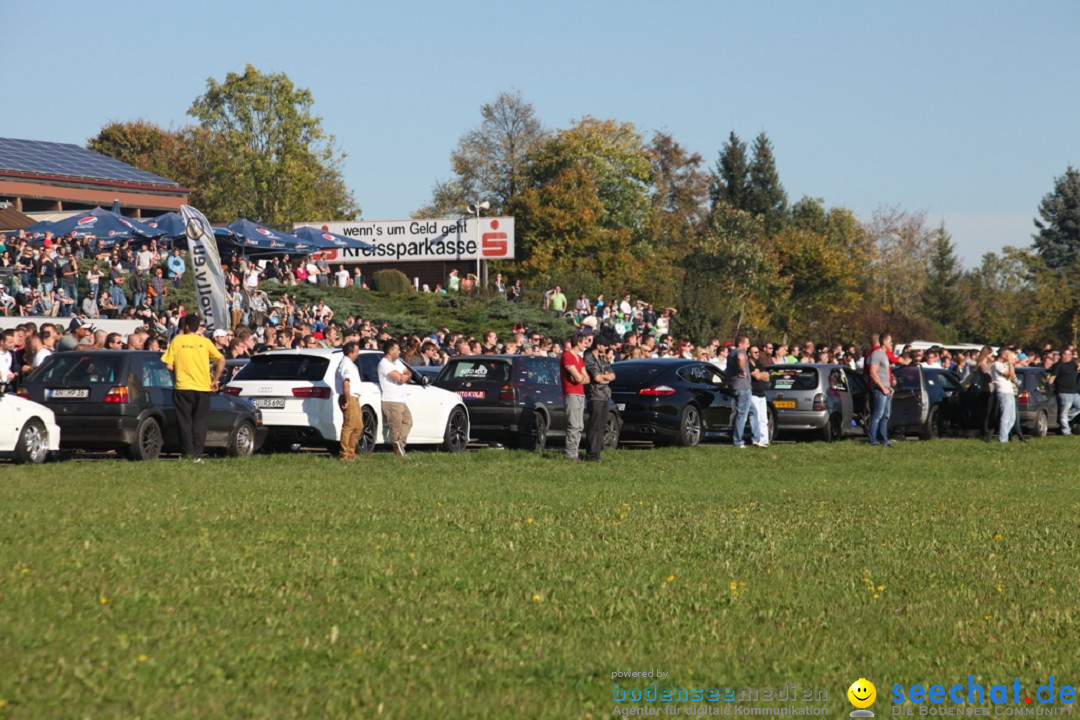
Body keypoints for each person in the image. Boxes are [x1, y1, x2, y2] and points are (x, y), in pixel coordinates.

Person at [162, 314, 226, 461]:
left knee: (184, 421)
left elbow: (168, 365)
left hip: (183, 386)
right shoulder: (205, 342)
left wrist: (182, 369)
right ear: (198, 327)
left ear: (186, 326)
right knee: (200, 422)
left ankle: (187, 452)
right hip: (203, 387)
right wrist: (215, 379)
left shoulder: (177, 341)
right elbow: (221, 359)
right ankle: (197, 454)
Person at [378, 339, 413, 457]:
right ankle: (397, 448)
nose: (400, 351)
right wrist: (405, 376)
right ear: (390, 351)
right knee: (395, 427)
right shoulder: (384, 364)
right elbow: (400, 378)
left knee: (408, 421)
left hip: (401, 399)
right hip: (391, 400)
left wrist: (406, 375)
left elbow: (408, 372)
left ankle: (400, 444)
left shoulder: (397, 362)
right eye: (397, 349)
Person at [583, 334, 615, 462]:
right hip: (595, 395)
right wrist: (605, 377)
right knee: (594, 426)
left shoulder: (602, 359)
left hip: (605, 395)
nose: (606, 348)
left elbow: (612, 374)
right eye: (604, 345)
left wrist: (605, 377)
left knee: (601, 426)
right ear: (598, 345)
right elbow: (596, 378)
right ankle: (591, 454)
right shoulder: (589, 357)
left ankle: (597, 453)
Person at [560, 333, 590, 461]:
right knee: (573, 425)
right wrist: (578, 377)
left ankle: (575, 453)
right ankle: (570, 454)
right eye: (584, 342)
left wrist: (579, 378)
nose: (586, 344)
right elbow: (577, 377)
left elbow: (586, 379)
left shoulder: (579, 358)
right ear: (578, 342)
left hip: (580, 394)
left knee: (579, 426)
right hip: (571, 393)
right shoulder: (567, 356)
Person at [335, 342, 364, 462]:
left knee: (358, 426)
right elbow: (346, 384)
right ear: (350, 352)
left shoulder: (350, 364)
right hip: (349, 397)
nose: (358, 354)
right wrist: (347, 400)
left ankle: (351, 452)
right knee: (349, 426)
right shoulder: (346, 364)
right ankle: (344, 454)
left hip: (354, 397)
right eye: (356, 351)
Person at [991, 348, 1024, 444]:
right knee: (1005, 417)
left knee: (1012, 418)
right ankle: (1003, 439)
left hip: (1009, 392)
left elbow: (1013, 377)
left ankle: (1005, 436)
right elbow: (1008, 375)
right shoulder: (997, 365)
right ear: (1004, 355)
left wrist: (1011, 363)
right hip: (1003, 392)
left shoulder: (1005, 365)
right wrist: (1010, 363)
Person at [867, 333, 894, 447]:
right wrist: (882, 388)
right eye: (890, 341)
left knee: (886, 415)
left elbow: (884, 374)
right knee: (877, 415)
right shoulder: (877, 354)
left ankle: (884, 439)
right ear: (884, 342)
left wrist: (889, 387)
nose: (892, 344)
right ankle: (873, 439)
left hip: (886, 389)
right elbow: (873, 373)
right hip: (879, 390)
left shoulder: (884, 355)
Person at [726, 335, 752, 448]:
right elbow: (741, 357)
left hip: (735, 386)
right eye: (747, 343)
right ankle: (738, 440)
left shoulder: (730, 353)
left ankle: (756, 437)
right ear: (741, 344)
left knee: (752, 412)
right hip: (743, 387)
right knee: (742, 414)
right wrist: (742, 370)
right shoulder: (741, 352)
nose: (748, 346)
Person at [1048, 347, 1079, 435]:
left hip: (1074, 392)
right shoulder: (1059, 365)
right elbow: (1052, 377)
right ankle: (1066, 431)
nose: (1070, 356)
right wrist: (1049, 385)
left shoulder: (1073, 364)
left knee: (1077, 407)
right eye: (1068, 354)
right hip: (1064, 392)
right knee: (1064, 411)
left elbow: (1077, 368)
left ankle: (1064, 419)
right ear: (1063, 355)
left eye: (1071, 354)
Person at [748, 345, 770, 448]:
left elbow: (767, 377)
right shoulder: (748, 365)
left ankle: (764, 440)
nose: (757, 354)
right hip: (753, 394)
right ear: (749, 354)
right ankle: (756, 439)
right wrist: (760, 375)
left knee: (763, 419)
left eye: (758, 352)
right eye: (754, 352)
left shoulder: (760, 365)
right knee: (755, 418)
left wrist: (759, 374)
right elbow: (757, 376)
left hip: (762, 394)